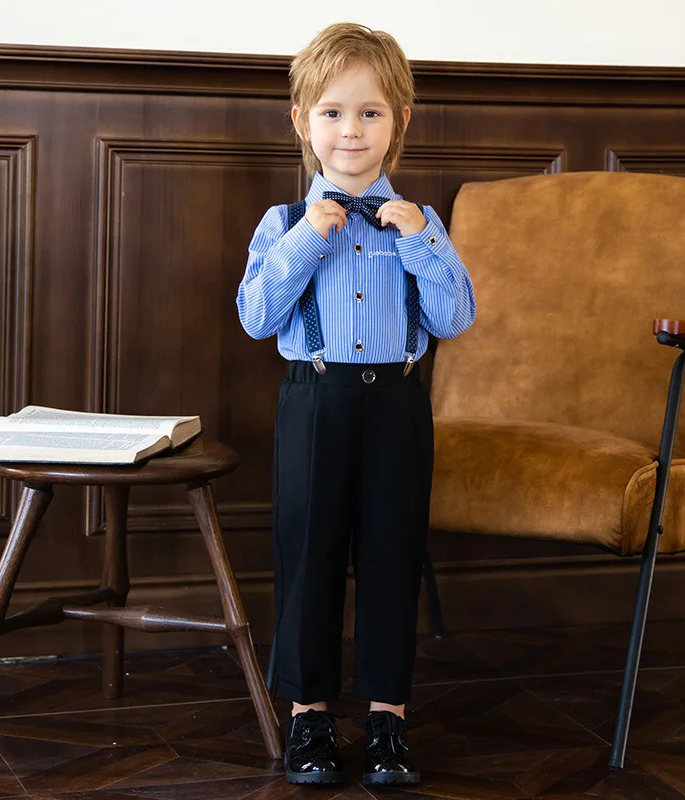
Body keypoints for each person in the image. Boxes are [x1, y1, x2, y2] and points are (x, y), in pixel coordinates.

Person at [236, 21, 475, 786]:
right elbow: (256, 316)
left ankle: (387, 719)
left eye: (370, 113)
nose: (351, 130)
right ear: (302, 121)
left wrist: (423, 241)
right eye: (333, 112)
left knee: (391, 555)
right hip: (316, 401)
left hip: (397, 407)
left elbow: (455, 318)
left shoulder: (421, 224)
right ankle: (308, 717)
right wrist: (307, 239)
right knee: (308, 556)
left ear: (399, 122)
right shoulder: (282, 226)